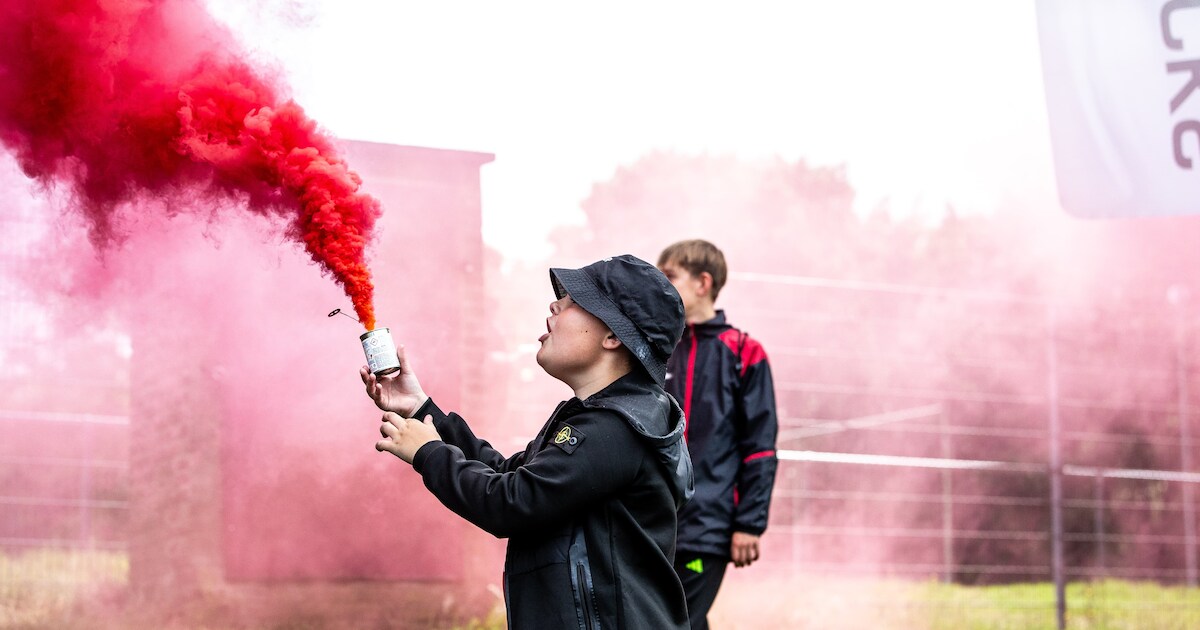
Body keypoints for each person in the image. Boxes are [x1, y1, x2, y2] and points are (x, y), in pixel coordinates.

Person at [361, 254, 694, 630]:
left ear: (613, 336)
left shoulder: (615, 430)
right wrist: (421, 409)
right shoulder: (604, 420)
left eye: (573, 302)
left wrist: (429, 453)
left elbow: (510, 501)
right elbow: (507, 474)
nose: (555, 305)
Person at [658, 240, 779, 630]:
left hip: (706, 534)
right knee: (672, 619)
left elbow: (760, 446)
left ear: (703, 283)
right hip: (651, 525)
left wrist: (749, 524)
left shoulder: (744, 352)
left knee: (677, 620)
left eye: (669, 276)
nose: (659, 286)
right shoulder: (654, 349)